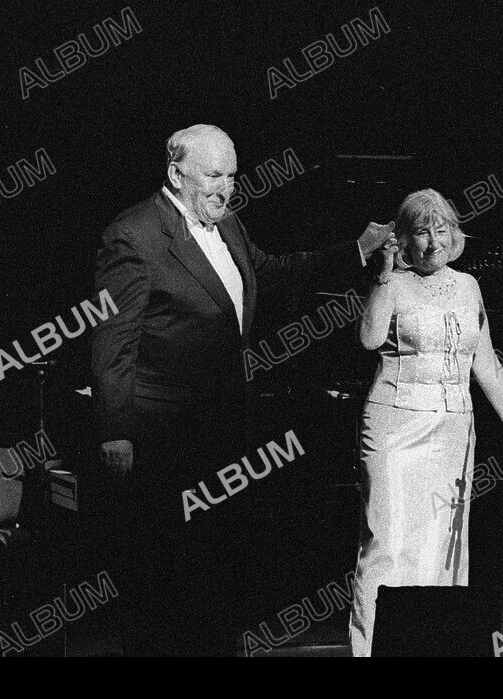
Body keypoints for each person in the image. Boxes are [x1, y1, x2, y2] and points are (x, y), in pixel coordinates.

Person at [90, 124, 395, 656]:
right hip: (161, 433)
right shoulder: (134, 235)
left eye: (231, 176)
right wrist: (115, 431)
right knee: (165, 571)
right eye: (213, 175)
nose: (225, 187)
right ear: (176, 173)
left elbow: (271, 273)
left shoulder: (227, 222)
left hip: (221, 426)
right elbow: (112, 341)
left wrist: (356, 251)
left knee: (217, 562)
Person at [349, 188, 503, 657]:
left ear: (454, 235)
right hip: (395, 424)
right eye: (421, 233)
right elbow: (370, 338)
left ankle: (431, 649)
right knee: (387, 545)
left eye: (441, 231)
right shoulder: (392, 281)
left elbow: (487, 363)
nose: (433, 243)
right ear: (403, 239)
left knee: (443, 546)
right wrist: (384, 276)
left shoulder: (468, 285)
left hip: (454, 428)